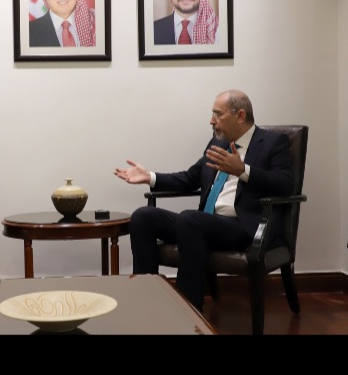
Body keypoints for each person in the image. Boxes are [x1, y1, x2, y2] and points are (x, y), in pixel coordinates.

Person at [113, 89, 294, 312]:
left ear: (240, 116)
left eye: (218, 114)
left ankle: (188, 311)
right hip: (204, 224)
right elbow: (191, 178)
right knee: (143, 217)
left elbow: (285, 185)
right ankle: (147, 301)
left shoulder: (273, 143)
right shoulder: (218, 143)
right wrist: (150, 177)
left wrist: (243, 171)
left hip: (242, 226)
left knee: (190, 219)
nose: (211, 120)